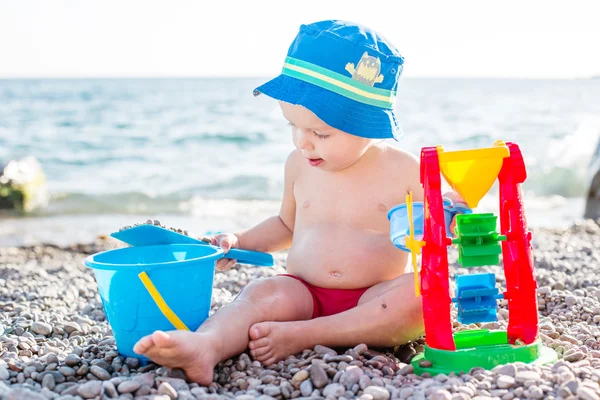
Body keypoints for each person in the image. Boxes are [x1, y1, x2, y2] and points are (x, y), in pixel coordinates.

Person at [133, 19, 463, 385]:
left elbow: (438, 225)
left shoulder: (405, 170)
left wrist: (452, 210)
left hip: (374, 299)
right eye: (292, 125)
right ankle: (205, 346)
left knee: (423, 295)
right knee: (261, 293)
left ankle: (309, 334)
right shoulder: (300, 165)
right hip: (303, 292)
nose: (302, 143)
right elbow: (287, 226)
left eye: (320, 132)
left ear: (370, 124)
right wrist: (240, 242)